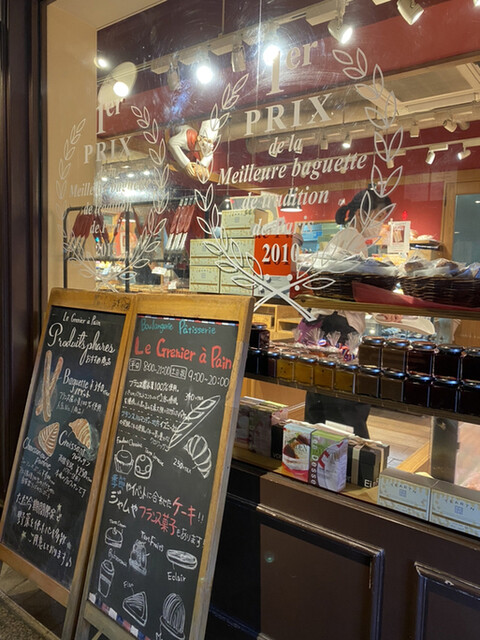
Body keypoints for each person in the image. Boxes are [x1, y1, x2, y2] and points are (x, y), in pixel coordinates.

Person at [302, 187, 395, 439]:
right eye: (379, 216)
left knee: (322, 395)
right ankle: (350, 452)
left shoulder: (344, 236)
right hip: (340, 327)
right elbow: (352, 291)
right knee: (347, 399)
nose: (381, 224)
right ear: (364, 212)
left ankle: (315, 445)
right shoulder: (354, 240)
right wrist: (382, 307)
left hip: (326, 324)